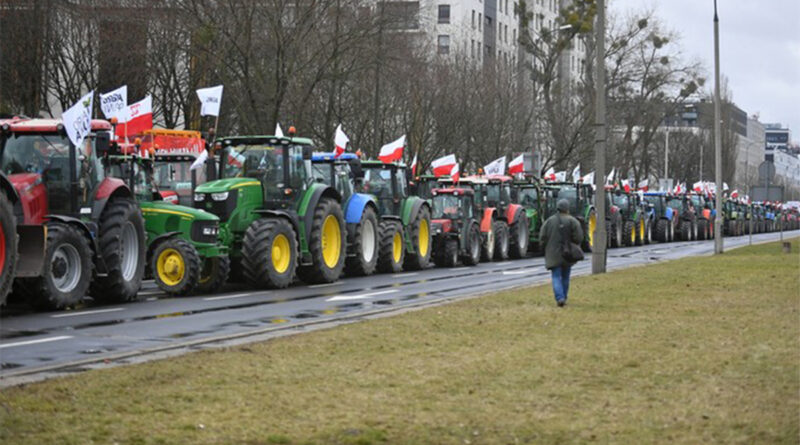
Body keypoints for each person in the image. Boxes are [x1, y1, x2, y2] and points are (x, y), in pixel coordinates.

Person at [540, 198, 584, 307]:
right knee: (565, 276)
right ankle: (564, 296)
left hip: (553, 254)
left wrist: (544, 248)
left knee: (556, 276)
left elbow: (542, 237)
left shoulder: (549, 221)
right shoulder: (573, 221)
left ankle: (559, 298)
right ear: (567, 209)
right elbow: (579, 237)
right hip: (568, 253)